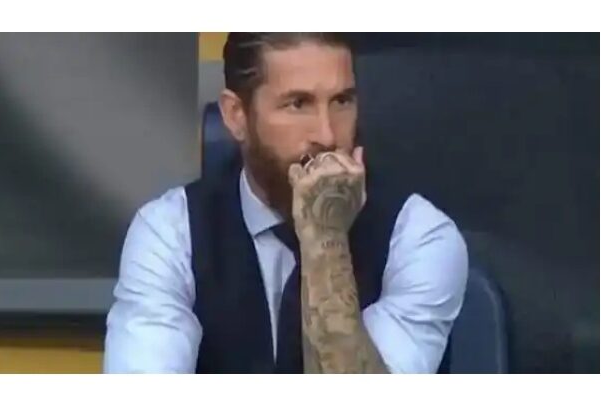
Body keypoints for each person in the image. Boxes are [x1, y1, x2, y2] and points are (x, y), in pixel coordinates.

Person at [103, 33, 468, 373]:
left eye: (342, 101)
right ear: (236, 115)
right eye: (298, 104)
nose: (327, 136)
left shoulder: (418, 236)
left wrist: (325, 238)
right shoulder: (170, 233)